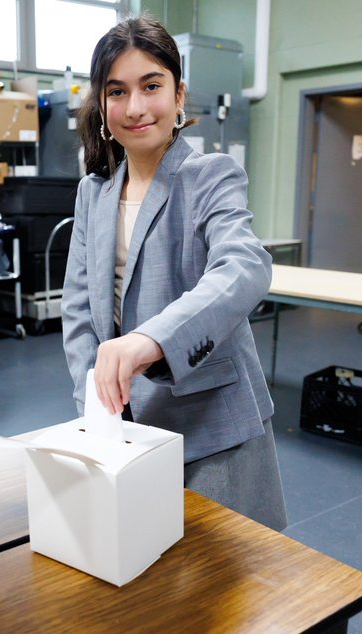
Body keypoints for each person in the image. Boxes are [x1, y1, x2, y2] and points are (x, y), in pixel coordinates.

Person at [62, 16, 287, 530]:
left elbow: (244, 266)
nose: (135, 107)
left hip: (210, 430)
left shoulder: (210, 176)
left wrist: (151, 340)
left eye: (151, 86)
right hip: (124, 430)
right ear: (102, 105)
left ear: (179, 94)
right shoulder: (93, 193)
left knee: (222, 575)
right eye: (117, 91)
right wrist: (94, 405)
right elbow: (78, 312)